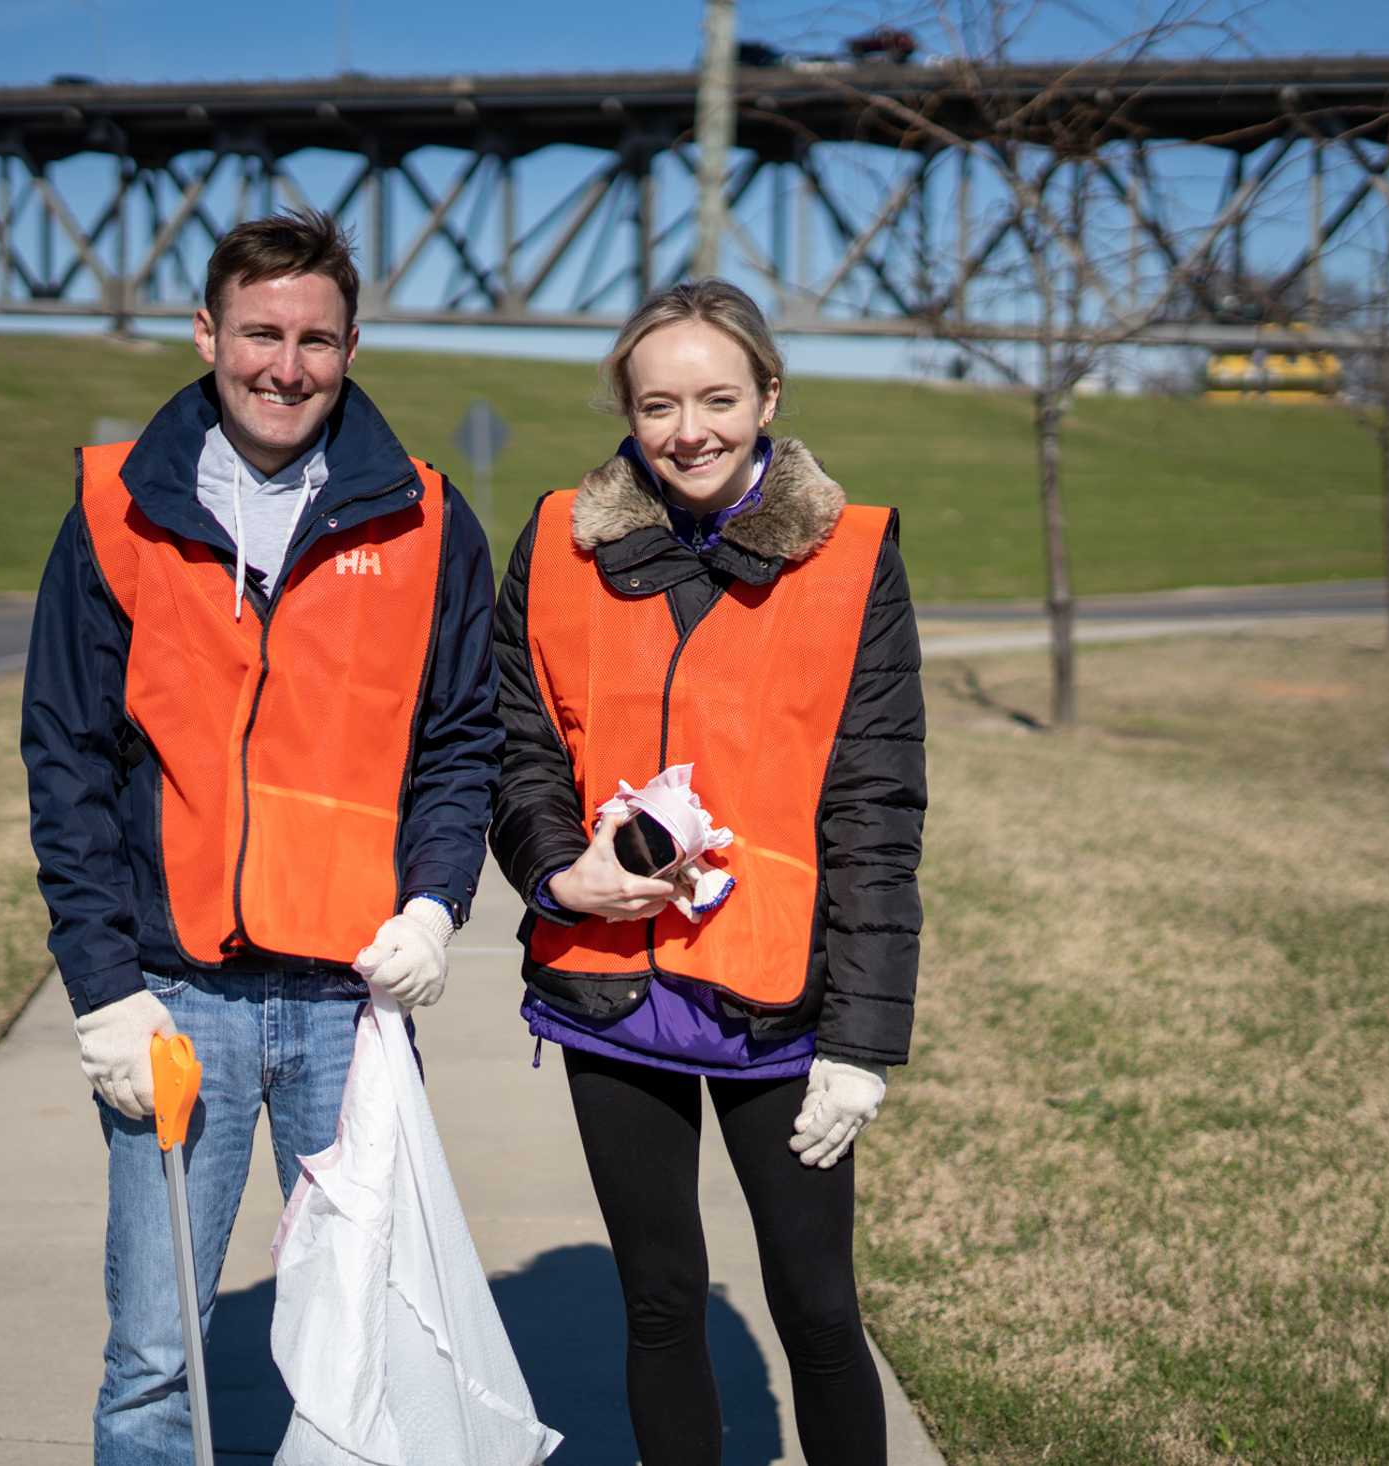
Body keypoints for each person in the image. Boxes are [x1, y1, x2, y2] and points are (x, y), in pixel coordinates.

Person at [21, 208, 500, 1464]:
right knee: (150, 1362)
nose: (285, 366)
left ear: (352, 345)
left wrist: (435, 904)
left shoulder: (430, 522)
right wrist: (104, 989)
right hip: (179, 1003)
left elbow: (461, 741)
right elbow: (67, 758)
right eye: (260, 334)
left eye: (316, 339)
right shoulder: (116, 512)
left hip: (353, 1007)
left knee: (363, 1344)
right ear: (207, 332)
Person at [489, 279, 926, 1464]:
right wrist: (552, 872)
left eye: (719, 398)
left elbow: (878, 806)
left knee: (819, 1307)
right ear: (628, 413)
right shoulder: (558, 542)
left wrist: (864, 1043)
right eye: (660, 403)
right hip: (608, 990)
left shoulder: (850, 557)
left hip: (780, 999)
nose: (691, 430)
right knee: (660, 1300)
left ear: (768, 397)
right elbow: (516, 744)